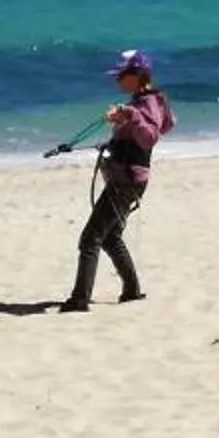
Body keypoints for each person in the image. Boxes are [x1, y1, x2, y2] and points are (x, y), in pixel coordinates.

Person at [63, 49, 174, 312]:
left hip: (127, 180)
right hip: (129, 178)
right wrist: (117, 137)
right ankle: (132, 290)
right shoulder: (149, 100)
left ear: (137, 76)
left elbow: (151, 137)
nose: (117, 81)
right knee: (110, 236)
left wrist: (131, 116)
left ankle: (79, 300)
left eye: (122, 76)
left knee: (90, 239)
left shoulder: (145, 103)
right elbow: (164, 124)